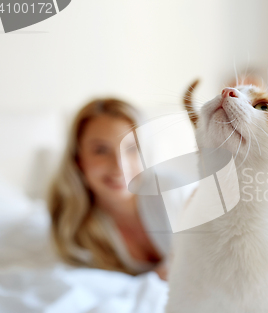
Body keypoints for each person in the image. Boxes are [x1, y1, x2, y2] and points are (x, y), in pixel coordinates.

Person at [48, 98, 175, 280]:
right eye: (101, 150)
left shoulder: (174, 192)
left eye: (131, 148)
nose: (119, 167)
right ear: (78, 159)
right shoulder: (73, 226)